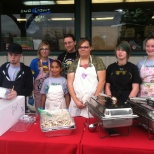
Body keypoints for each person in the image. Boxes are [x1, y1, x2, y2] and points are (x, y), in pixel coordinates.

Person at [67, 38, 106, 118]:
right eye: (80, 47)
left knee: (93, 123)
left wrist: (94, 99)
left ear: (90, 48)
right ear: (78, 49)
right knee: (77, 124)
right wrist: (76, 101)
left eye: (86, 47)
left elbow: (102, 81)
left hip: (94, 101)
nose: (83, 49)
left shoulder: (97, 61)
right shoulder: (74, 64)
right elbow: (70, 84)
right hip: (77, 102)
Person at [105, 41, 141, 106]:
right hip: (113, 98)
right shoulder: (110, 67)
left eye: (123, 50)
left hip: (128, 97)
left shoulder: (133, 68)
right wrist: (110, 98)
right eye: (118, 50)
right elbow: (107, 85)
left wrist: (128, 101)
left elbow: (136, 88)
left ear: (127, 52)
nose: (120, 52)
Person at [0, 43, 33, 112]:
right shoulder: (2, 69)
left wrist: (17, 93)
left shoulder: (26, 70)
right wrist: (3, 93)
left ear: (21, 55)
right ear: (8, 54)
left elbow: (29, 89)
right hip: (4, 104)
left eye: (16, 55)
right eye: (11, 54)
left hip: (20, 105)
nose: (13, 57)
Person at [30, 41, 53, 114]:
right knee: (40, 113)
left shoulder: (52, 62)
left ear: (49, 51)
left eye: (46, 49)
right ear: (39, 50)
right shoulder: (34, 62)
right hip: (38, 93)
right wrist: (30, 95)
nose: (44, 51)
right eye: (42, 49)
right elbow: (30, 78)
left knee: (50, 113)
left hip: (50, 92)